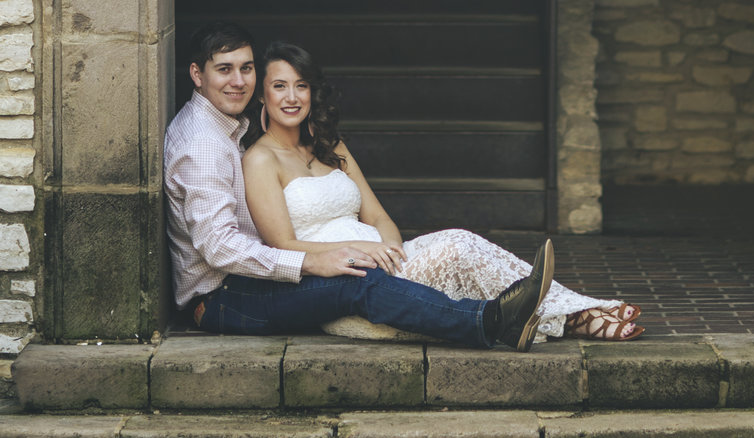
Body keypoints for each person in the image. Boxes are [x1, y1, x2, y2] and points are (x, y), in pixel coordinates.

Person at [164, 24, 554, 348]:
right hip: (224, 299)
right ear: (198, 74)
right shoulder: (202, 143)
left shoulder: (226, 127)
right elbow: (218, 248)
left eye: (246, 68)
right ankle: (490, 321)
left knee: (379, 269)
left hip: (249, 282)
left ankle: (547, 309)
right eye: (224, 69)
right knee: (357, 284)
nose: (238, 81)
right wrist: (313, 260)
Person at [241, 39, 644, 342]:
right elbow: (280, 245)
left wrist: (393, 253)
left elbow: (379, 216)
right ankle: (580, 316)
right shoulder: (260, 160)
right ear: (263, 94)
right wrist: (356, 252)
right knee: (455, 253)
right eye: (280, 86)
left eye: (301, 86)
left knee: (458, 238)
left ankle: (567, 310)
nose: (292, 97)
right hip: (346, 284)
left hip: (387, 266)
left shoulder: (331, 145)